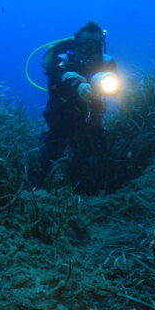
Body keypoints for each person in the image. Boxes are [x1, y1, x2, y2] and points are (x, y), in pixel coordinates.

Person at [30, 21, 118, 190]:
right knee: (49, 157)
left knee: (102, 157)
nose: (90, 52)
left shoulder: (107, 62)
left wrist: (101, 82)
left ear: (101, 46)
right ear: (76, 46)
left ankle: (103, 189)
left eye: (95, 46)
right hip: (62, 121)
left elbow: (113, 82)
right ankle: (37, 190)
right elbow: (59, 74)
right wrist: (77, 86)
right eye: (85, 46)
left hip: (91, 122)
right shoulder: (63, 60)